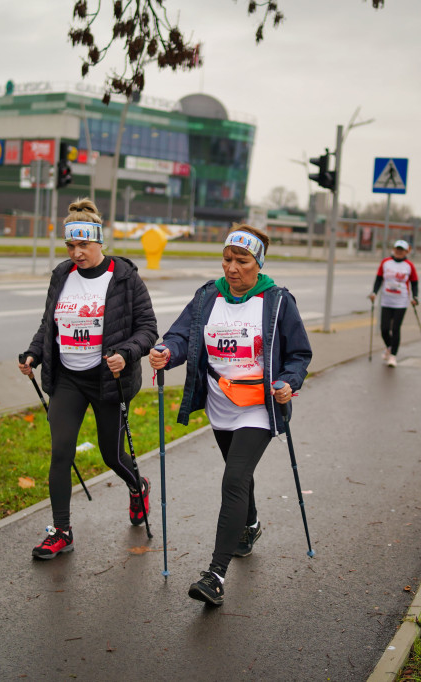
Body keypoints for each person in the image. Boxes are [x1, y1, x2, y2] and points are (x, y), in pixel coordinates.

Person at [148, 224, 312, 606]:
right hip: (220, 404)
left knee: (234, 477)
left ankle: (215, 575)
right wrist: (166, 352)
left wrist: (289, 381)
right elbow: (181, 336)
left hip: (258, 405)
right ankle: (250, 525)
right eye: (227, 259)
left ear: (258, 264)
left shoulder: (276, 301)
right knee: (241, 475)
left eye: (242, 261)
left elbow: (299, 354)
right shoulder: (207, 296)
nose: (232, 268)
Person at [19, 199, 158, 560]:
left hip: (107, 380)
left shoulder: (125, 278)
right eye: (70, 246)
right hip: (68, 378)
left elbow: (147, 330)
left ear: (100, 242)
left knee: (111, 455)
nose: (76, 253)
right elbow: (49, 324)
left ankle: (137, 485)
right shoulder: (61, 276)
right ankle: (61, 531)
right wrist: (34, 352)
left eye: (83, 245)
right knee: (61, 452)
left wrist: (125, 353)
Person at [368, 239, 419, 367]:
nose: (399, 251)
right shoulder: (386, 262)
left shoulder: (409, 265)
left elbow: (414, 282)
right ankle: (390, 347)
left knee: (396, 328)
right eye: (397, 249)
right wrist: (374, 292)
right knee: (384, 329)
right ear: (394, 249)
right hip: (386, 300)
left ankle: (393, 356)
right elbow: (379, 279)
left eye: (401, 250)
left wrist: (415, 297)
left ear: (406, 251)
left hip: (401, 302)